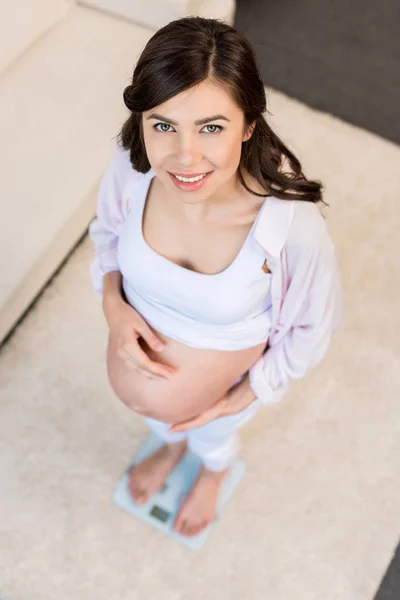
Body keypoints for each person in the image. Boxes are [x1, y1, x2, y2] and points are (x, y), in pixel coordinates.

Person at [89, 16, 342, 539]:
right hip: (155, 385)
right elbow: (109, 235)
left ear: (248, 124)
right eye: (163, 125)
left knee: (212, 438)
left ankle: (212, 469)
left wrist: (246, 395)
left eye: (211, 127)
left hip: (220, 398)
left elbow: (314, 327)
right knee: (168, 421)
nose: (185, 158)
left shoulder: (291, 231)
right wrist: (114, 308)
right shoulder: (133, 165)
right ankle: (171, 440)